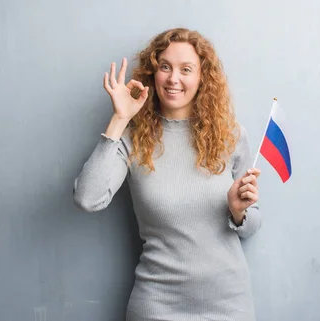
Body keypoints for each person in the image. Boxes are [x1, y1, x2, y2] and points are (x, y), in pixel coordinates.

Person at [73, 27, 263, 321]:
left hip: (229, 306)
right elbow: (88, 198)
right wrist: (120, 119)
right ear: (153, 73)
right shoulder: (133, 139)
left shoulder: (231, 137)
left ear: (203, 78)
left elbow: (252, 226)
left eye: (186, 69)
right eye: (165, 67)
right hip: (157, 306)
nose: (174, 78)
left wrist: (240, 213)